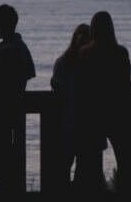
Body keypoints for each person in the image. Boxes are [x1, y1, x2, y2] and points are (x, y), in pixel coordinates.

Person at [73, 11, 131, 192]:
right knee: (125, 161)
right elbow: (126, 84)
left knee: (90, 162)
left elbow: (81, 86)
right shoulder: (121, 52)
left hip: (92, 114)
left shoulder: (85, 53)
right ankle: (125, 192)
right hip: (117, 112)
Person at [0, 4, 35, 193]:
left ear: (3, 25)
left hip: (1, 112)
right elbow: (29, 73)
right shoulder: (21, 47)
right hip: (13, 112)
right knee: (7, 159)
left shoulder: (5, 50)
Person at [50, 23, 90, 188]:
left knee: (83, 172)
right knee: (65, 168)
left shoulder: (67, 63)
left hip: (82, 124)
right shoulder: (64, 63)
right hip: (70, 123)